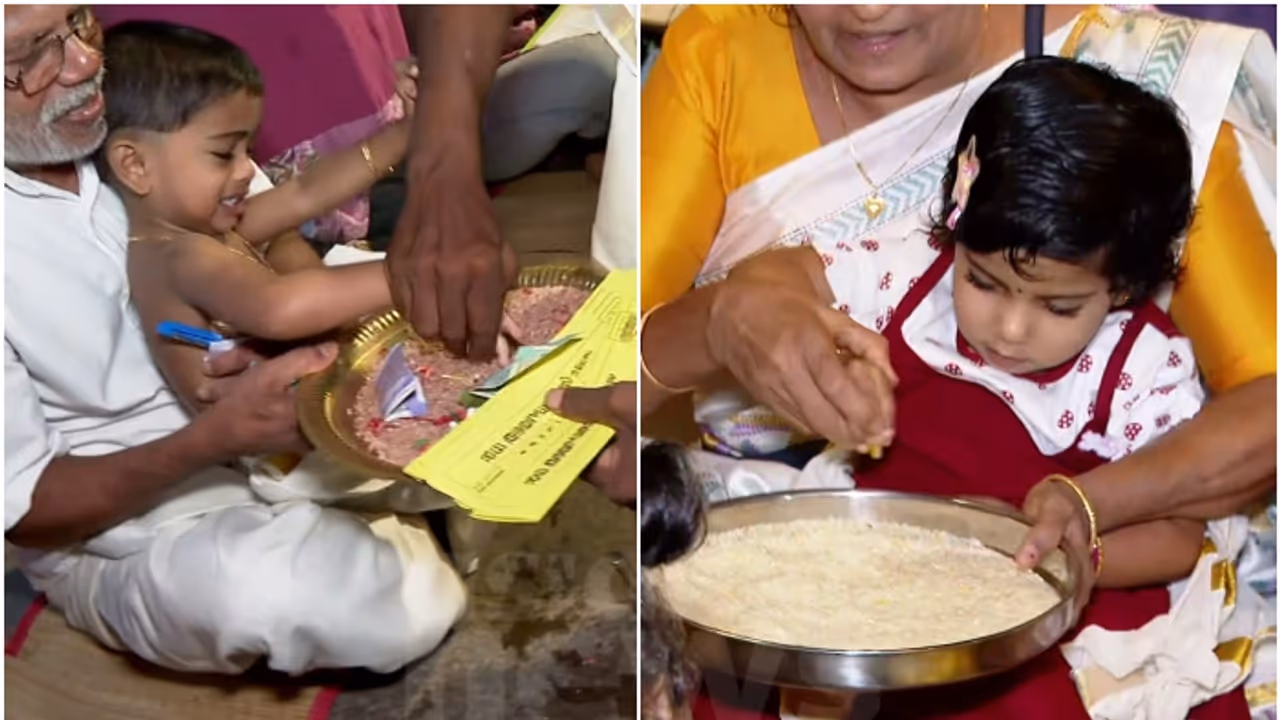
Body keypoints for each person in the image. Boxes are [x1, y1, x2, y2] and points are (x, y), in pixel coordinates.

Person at [639, 8, 1275, 711]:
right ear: (953, 230)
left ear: (1122, 288)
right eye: (982, 282)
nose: (1007, 328)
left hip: (1045, 608)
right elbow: (790, 277)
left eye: (1057, 308)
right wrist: (756, 306)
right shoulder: (913, 283)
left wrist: (1066, 543)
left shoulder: (1137, 370)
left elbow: (1179, 536)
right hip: (883, 569)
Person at [4, 5, 466, 676]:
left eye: (79, 19)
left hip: (267, 418)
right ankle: (370, 513)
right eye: (31, 56)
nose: (81, 64)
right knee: (359, 601)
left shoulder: (115, 108)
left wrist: (307, 324)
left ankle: (370, 494)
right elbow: (28, 511)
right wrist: (216, 439)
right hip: (136, 522)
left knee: (450, 369)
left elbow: (269, 218)